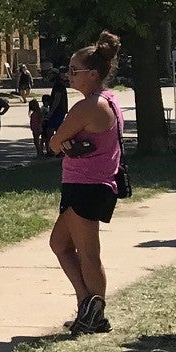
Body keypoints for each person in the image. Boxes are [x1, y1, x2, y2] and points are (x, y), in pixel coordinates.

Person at [49, 32, 124, 335]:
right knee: (60, 244)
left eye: (74, 71)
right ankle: (87, 305)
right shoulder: (109, 100)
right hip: (90, 184)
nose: (69, 75)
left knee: (88, 253)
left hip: (87, 186)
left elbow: (54, 142)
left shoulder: (88, 106)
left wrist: (63, 143)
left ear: (93, 74)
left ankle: (96, 314)